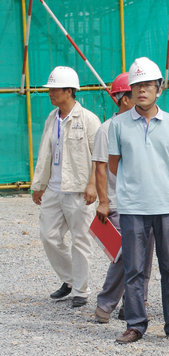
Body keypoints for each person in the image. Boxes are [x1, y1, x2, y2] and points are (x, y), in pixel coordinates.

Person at [108, 57, 169, 343]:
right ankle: (135, 324)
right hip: (132, 207)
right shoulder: (118, 125)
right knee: (134, 269)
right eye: (137, 86)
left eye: (148, 85)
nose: (142, 90)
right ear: (130, 91)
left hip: (164, 206)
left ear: (159, 88)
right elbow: (114, 164)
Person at [31, 66, 100, 308]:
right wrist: (39, 185)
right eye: (50, 89)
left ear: (70, 91)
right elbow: (45, 153)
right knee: (49, 236)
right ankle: (70, 279)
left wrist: (93, 185)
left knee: (81, 240)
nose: (50, 93)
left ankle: (81, 290)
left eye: (55, 89)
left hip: (79, 191)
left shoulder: (89, 120)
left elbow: (98, 156)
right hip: (54, 188)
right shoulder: (52, 118)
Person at [93, 72, 154, 323]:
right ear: (124, 99)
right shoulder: (107, 129)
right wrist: (103, 202)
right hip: (119, 202)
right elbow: (99, 168)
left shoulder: (144, 125)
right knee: (125, 254)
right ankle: (105, 303)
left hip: (146, 202)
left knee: (145, 257)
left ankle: (134, 303)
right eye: (135, 92)